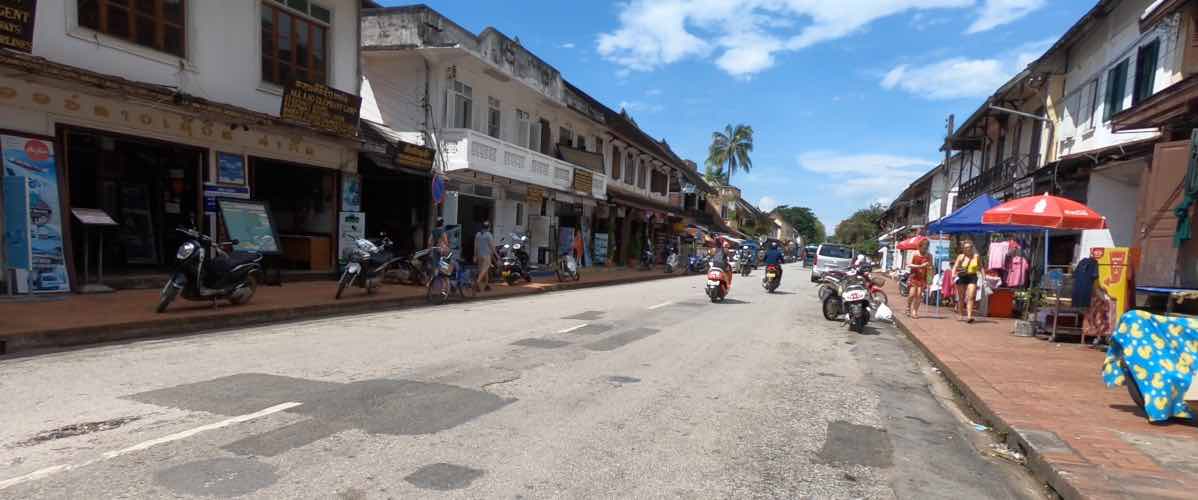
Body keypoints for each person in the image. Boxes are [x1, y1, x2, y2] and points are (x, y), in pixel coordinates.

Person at [952, 240, 981, 323]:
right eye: (965, 247)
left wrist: (984, 277)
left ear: (972, 248)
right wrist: (953, 274)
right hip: (962, 277)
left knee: (971, 296)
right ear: (963, 248)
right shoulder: (961, 256)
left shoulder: (976, 256)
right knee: (961, 297)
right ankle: (960, 314)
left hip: (972, 276)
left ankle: (969, 316)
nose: (967, 249)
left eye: (969, 247)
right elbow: (955, 266)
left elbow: (980, 267)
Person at [906, 239, 931, 319]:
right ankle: (908, 307)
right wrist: (920, 266)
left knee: (919, 295)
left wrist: (930, 280)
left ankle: (915, 311)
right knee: (912, 294)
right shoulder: (914, 253)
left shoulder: (929, 255)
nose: (924, 250)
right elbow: (908, 264)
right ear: (919, 247)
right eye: (923, 248)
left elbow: (931, 267)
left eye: (926, 248)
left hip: (923, 277)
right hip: (914, 276)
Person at [474, 221, 495, 292]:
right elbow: (492, 247)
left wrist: (475, 256)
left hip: (479, 255)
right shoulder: (489, 235)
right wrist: (497, 256)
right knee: (484, 270)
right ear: (489, 227)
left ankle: (486, 285)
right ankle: (477, 282)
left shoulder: (478, 234)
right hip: (486, 255)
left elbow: (475, 246)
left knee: (483, 271)